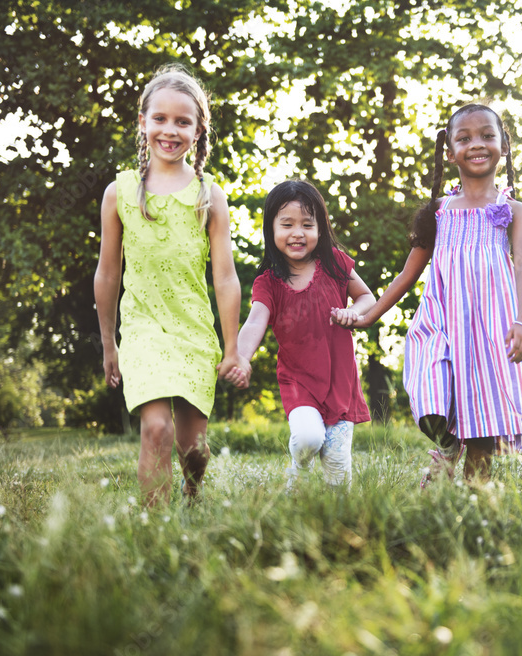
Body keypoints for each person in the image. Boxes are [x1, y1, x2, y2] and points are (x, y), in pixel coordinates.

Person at [337, 103, 522, 486]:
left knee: (482, 435)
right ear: (450, 151)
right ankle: (446, 446)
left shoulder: (514, 211)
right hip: (442, 324)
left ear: (503, 145)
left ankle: (475, 507)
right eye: (464, 138)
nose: (477, 144)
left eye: (487, 135)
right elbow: (408, 274)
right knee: (428, 399)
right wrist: (368, 315)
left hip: (493, 332)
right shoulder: (438, 213)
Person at [94, 64, 246, 507]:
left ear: (199, 130)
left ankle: (193, 490)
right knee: (156, 428)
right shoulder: (118, 192)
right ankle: (153, 527)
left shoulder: (209, 196)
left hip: (194, 332)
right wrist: (110, 345)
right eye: (160, 118)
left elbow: (225, 276)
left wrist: (232, 346)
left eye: (183, 121)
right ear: (142, 122)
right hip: (142, 329)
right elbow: (108, 273)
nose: (170, 130)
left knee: (192, 448)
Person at [224, 180, 374, 488]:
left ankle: (330, 524)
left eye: (308, 224)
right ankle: (298, 471)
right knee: (308, 438)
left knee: (338, 477)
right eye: (287, 224)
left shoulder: (335, 263)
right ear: (272, 229)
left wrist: (353, 313)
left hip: (340, 383)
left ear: (320, 229)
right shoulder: (268, 282)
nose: (298, 233)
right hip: (299, 382)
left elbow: (368, 298)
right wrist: (239, 358)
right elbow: (255, 322)